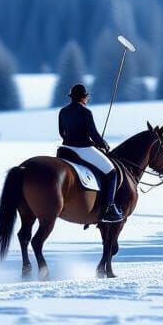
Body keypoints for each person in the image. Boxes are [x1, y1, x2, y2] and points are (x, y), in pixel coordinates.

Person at [58, 83, 124, 224]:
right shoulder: (86, 112)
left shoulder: (63, 111)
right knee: (112, 172)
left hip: (66, 149)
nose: (87, 100)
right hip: (83, 149)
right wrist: (103, 144)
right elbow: (93, 134)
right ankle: (109, 208)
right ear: (83, 97)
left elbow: (61, 132)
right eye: (86, 97)